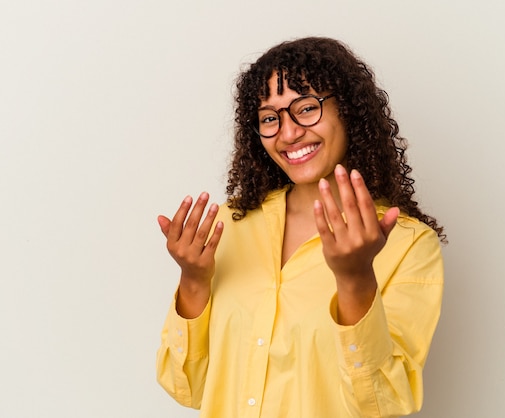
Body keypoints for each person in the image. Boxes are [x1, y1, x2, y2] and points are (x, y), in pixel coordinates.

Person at [156, 37, 445, 418]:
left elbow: (383, 403)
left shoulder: (408, 245)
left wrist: (356, 279)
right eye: (270, 118)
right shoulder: (227, 225)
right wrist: (193, 281)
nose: (288, 133)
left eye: (306, 108)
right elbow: (188, 388)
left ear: (348, 112)